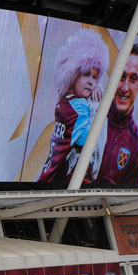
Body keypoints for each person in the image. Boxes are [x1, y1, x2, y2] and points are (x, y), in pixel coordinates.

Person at [37, 29, 107, 185]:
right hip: (58, 183)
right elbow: (89, 142)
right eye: (86, 74)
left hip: (53, 179)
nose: (91, 81)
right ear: (72, 74)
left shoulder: (68, 103)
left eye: (95, 77)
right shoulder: (75, 108)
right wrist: (96, 107)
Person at [92, 43, 138, 186]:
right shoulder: (91, 112)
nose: (125, 88)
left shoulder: (136, 144)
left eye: (133, 79)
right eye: (122, 76)